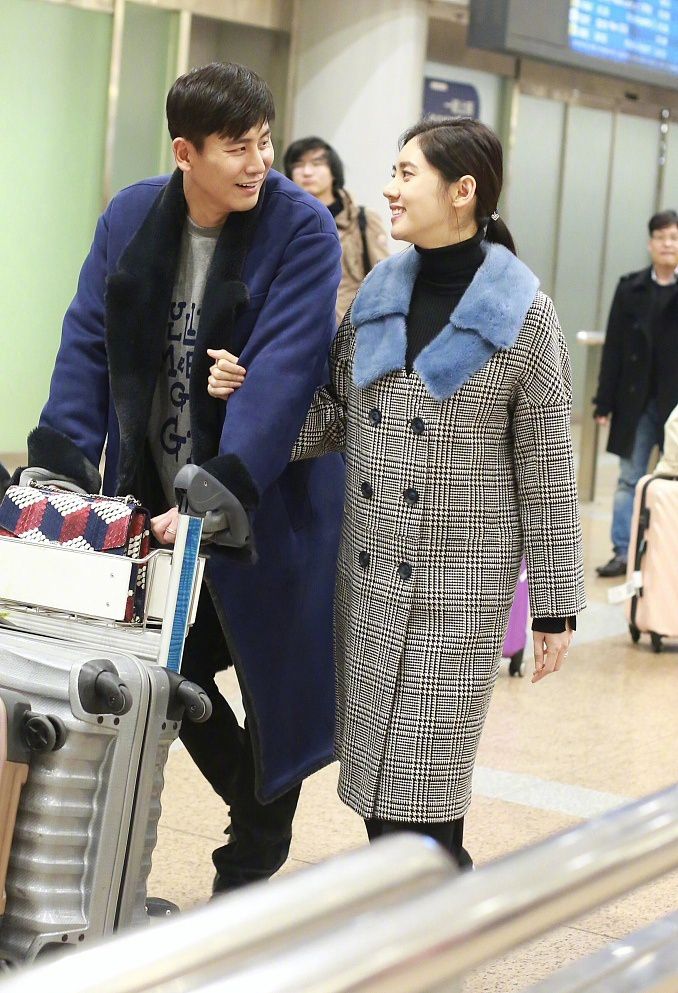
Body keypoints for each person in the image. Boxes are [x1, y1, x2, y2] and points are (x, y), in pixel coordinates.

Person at [208, 117, 586, 867]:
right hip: (370, 580)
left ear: (463, 191)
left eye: (407, 173)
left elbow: (548, 466)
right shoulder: (379, 291)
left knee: (424, 796)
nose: (389, 188)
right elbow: (335, 416)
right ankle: (426, 912)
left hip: (460, 593)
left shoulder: (524, 313)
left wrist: (554, 603)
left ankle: (441, 912)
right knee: (382, 794)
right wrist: (253, 394)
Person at [20, 62, 344, 892]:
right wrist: (62, 464)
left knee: (275, 694)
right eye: (237, 147)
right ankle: (255, 812)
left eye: (264, 142)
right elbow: (87, 338)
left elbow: (285, 371)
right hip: (154, 505)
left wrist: (217, 488)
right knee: (166, 673)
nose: (258, 162)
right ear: (184, 152)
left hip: (267, 510)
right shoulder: (132, 216)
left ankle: (245, 871)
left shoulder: (301, 228)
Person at [594, 210, 678, 577]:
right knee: (629, 479)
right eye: (661, 237)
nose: (667, 244)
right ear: (650, 243)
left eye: (674, 237)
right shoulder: (630, 288)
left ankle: (668, 557)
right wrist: (603, 400)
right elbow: (613, 347)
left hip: (675, 405)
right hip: (636, 401)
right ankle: (622, 552)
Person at [283, 137, 389, 324]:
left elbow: (384, 281)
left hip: (348, 330)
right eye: (298, 165)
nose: (307, 172)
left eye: (317, 163)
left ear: (333, 172)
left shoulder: (362, 219)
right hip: (297, 328)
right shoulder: (282, 222)